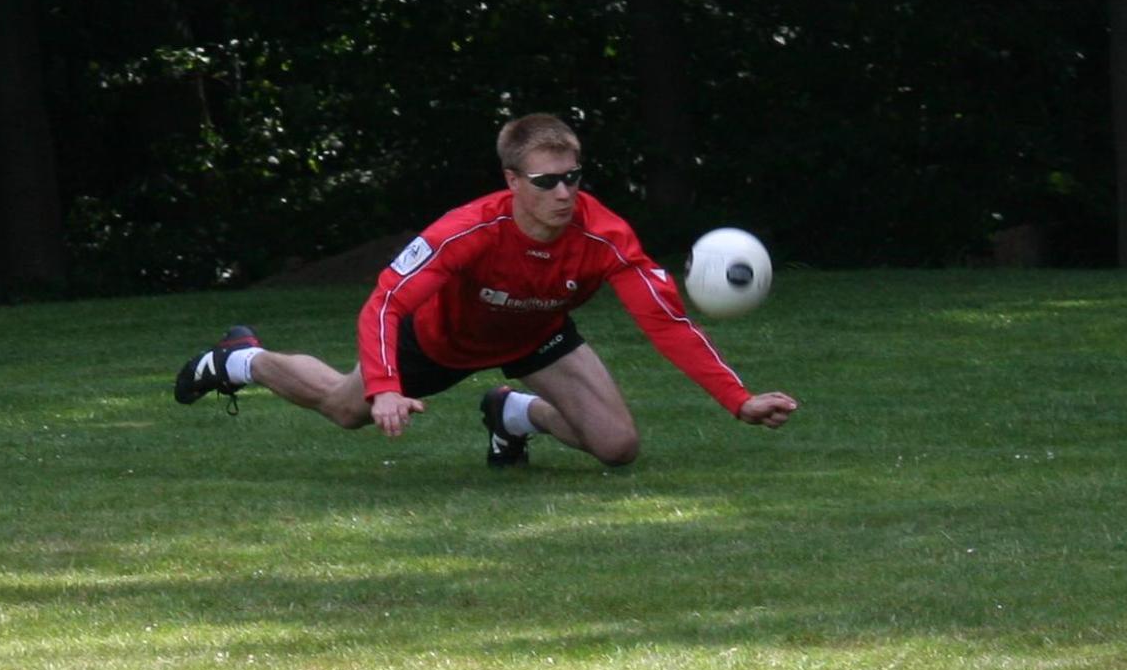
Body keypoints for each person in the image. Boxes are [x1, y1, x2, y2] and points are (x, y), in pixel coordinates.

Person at [174, 113, 797, 466]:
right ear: (512, 180)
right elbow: (386, 301)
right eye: (546, 181)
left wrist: (737, 399)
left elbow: (667, 324)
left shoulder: (604, 236)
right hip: (440, 341)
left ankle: (513, 413)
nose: (563, 193)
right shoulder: (467, 231)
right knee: (344, 409)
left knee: (619, 448)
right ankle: (242, 359)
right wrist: (385, 387)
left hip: (538, 335)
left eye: (572, 178)